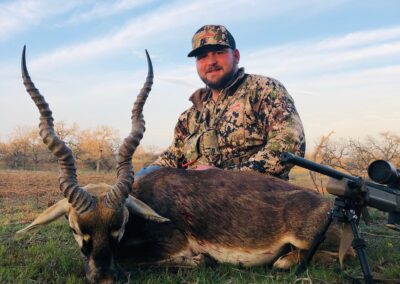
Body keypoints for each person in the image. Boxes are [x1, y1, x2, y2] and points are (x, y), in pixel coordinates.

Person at [145, 24, 305, 180]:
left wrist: (227, 177)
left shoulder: (263, 90)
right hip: (197, 203)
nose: (211, 61)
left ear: (236, 56)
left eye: (219, 52)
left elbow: (290, 142)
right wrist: (140, 178)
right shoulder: (189, 117)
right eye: (202, 56)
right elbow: (171, 158)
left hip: (257, 200)